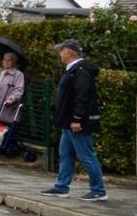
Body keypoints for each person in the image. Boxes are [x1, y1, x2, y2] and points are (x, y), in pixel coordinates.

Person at [42, 39, 106, 201]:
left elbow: (82, 97)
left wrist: (77, 119)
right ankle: (62, 187)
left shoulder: (80, 71)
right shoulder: (72, 70)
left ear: (69, 52)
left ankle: (98, 190)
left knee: (87, 156)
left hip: (77, 123)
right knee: (66, 154)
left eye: (61, 51)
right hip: (68, 123)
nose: (60, 54)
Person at [0, 51, 26, 158]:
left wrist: (11, 98)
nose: (6, 62)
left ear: (13, 62)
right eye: (4, 59)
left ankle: (4, 150)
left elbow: (19, 90)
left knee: (5, 128)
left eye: (9, 60)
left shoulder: (18, 74)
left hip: (8, 106)